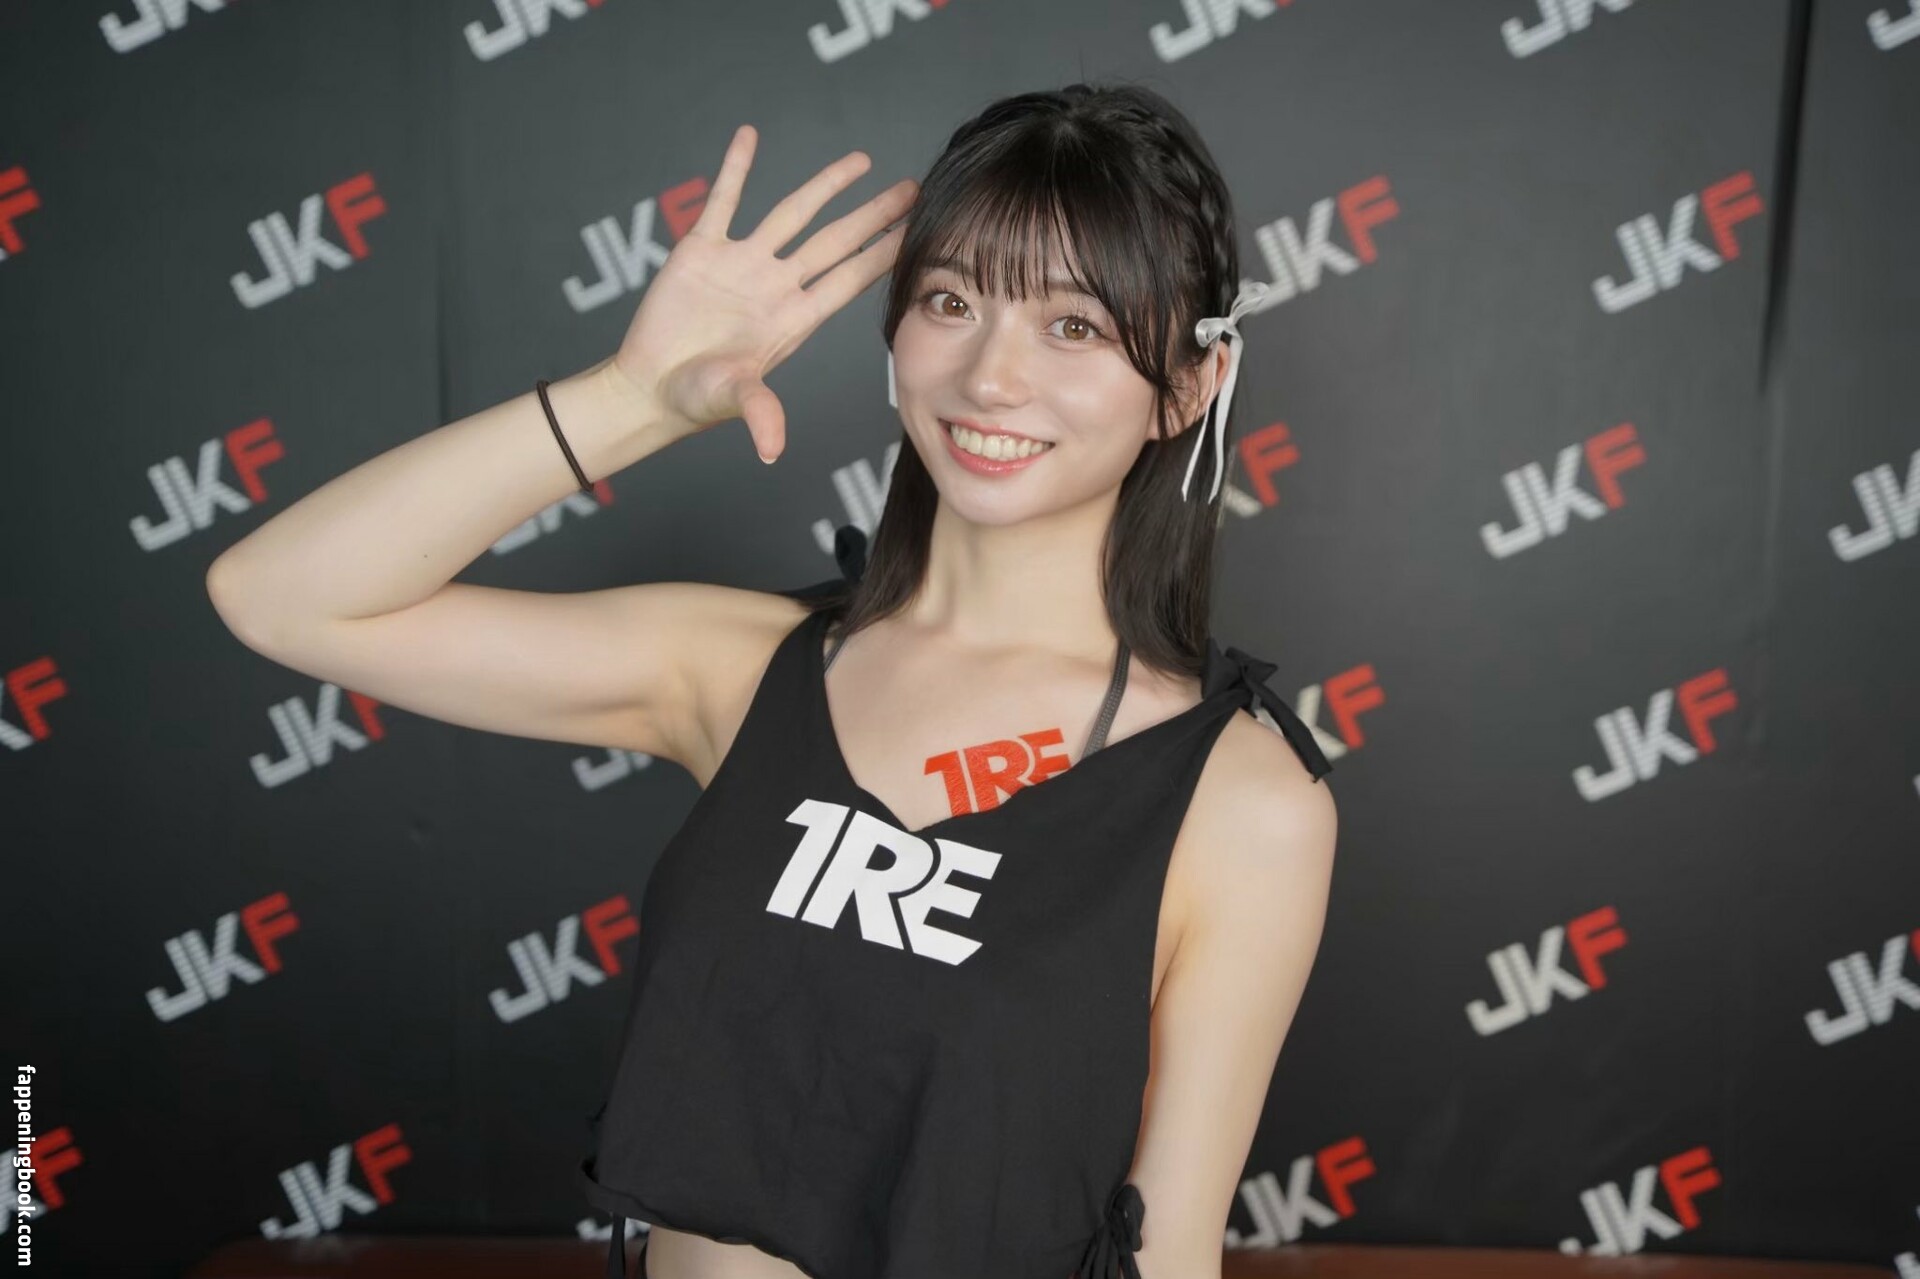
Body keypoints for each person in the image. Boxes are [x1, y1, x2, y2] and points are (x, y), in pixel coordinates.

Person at [207, 81, 1337, 1279]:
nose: (992, 377)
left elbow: (1168, 1250)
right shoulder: (742, 666)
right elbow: (280, 596)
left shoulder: (1242, 802)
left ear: (1189, 384)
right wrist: (629, 400)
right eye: (952, 301)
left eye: (1075, 326)